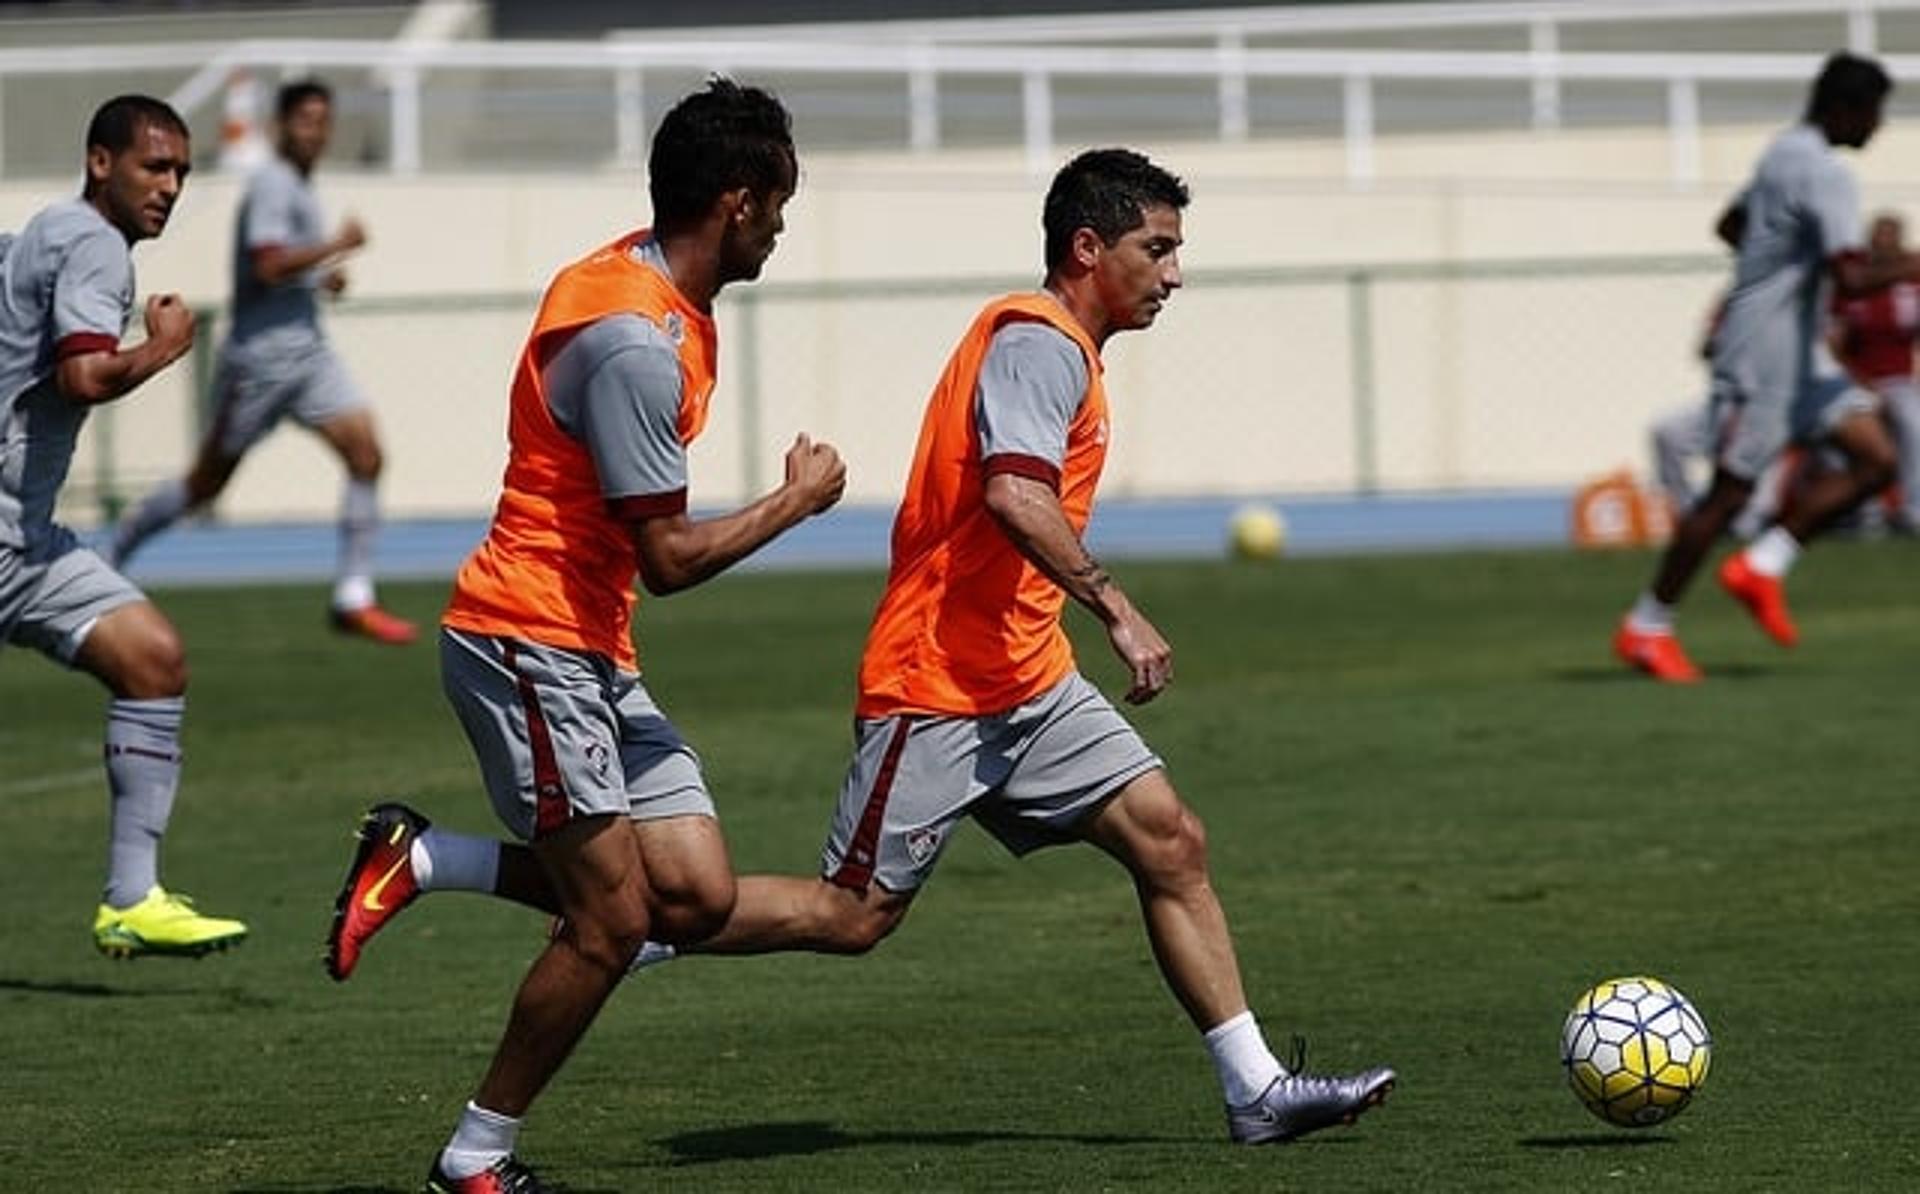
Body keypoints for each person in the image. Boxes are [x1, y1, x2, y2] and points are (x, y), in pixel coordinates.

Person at [329, 147, 1395, 1151]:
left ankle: (1253, 1089)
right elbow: (1015, 492)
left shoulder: (1065, 351)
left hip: (1029, 681)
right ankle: (540, 900)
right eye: (1156, 248)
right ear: (1088, 249)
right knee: (850, 916)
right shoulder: (1035, 341)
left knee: (1171, 841)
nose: (1174, 274)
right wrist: (1115, 605)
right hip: (939, 686)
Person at [326, 79, 844, 1192]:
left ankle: (429, 858)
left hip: (589, 652)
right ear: (738, 203)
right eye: (781, 204)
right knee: (612, 924)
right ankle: (475, 1158)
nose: (785, 228)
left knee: (691, 899)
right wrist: (795, 502)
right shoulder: (635, 347)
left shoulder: (642, 279)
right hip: (530, 644)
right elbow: (669, 563)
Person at [0, 96, 247, 958]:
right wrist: (168, 347)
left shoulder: (47, 230)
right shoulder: (96, 246)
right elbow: (84, 378)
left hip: (22, 544)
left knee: (152, 658)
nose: (170, 186)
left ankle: (131, 898)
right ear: (100, 161)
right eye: (154, 166)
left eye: (181, 170)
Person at [1614, 52, 1917, 682]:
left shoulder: (1780, 152)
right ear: (1844, 110)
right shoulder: (1827, 173)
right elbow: (1855, 279)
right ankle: (1646, 626)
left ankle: (1762, 566)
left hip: (1799, 353)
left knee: (1877, 458)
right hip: (1763, 358)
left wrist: (1776, 267)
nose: (1878, 127)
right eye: (1874, 113)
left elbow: (1730, 225)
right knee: (1728, 495)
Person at [110, 79, 416, 644]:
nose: (316, 132)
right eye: (305, 120)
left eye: (324, 121)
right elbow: (269, 265)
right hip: (259, 363)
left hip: (307, 354)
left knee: (366, 453)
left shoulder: (299, 186)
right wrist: (337, 246)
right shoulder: (273, 184)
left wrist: (323, 277)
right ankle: (120, 548)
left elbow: (282, 270)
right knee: (206, 484)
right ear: (280, 127)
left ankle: (353, 596)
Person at [1830, 211, 1920, 530]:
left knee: (1913, 422)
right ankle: (1864, 513)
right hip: (1855, 381)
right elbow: (1834, 344)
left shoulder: (1911, 284)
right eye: (1876, 239)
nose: (1881, 246)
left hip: (1899, 379)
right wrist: (1857, 381)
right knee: (1850, 433)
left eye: (1889, 239)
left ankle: (1914, 511)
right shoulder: (1851, 285)